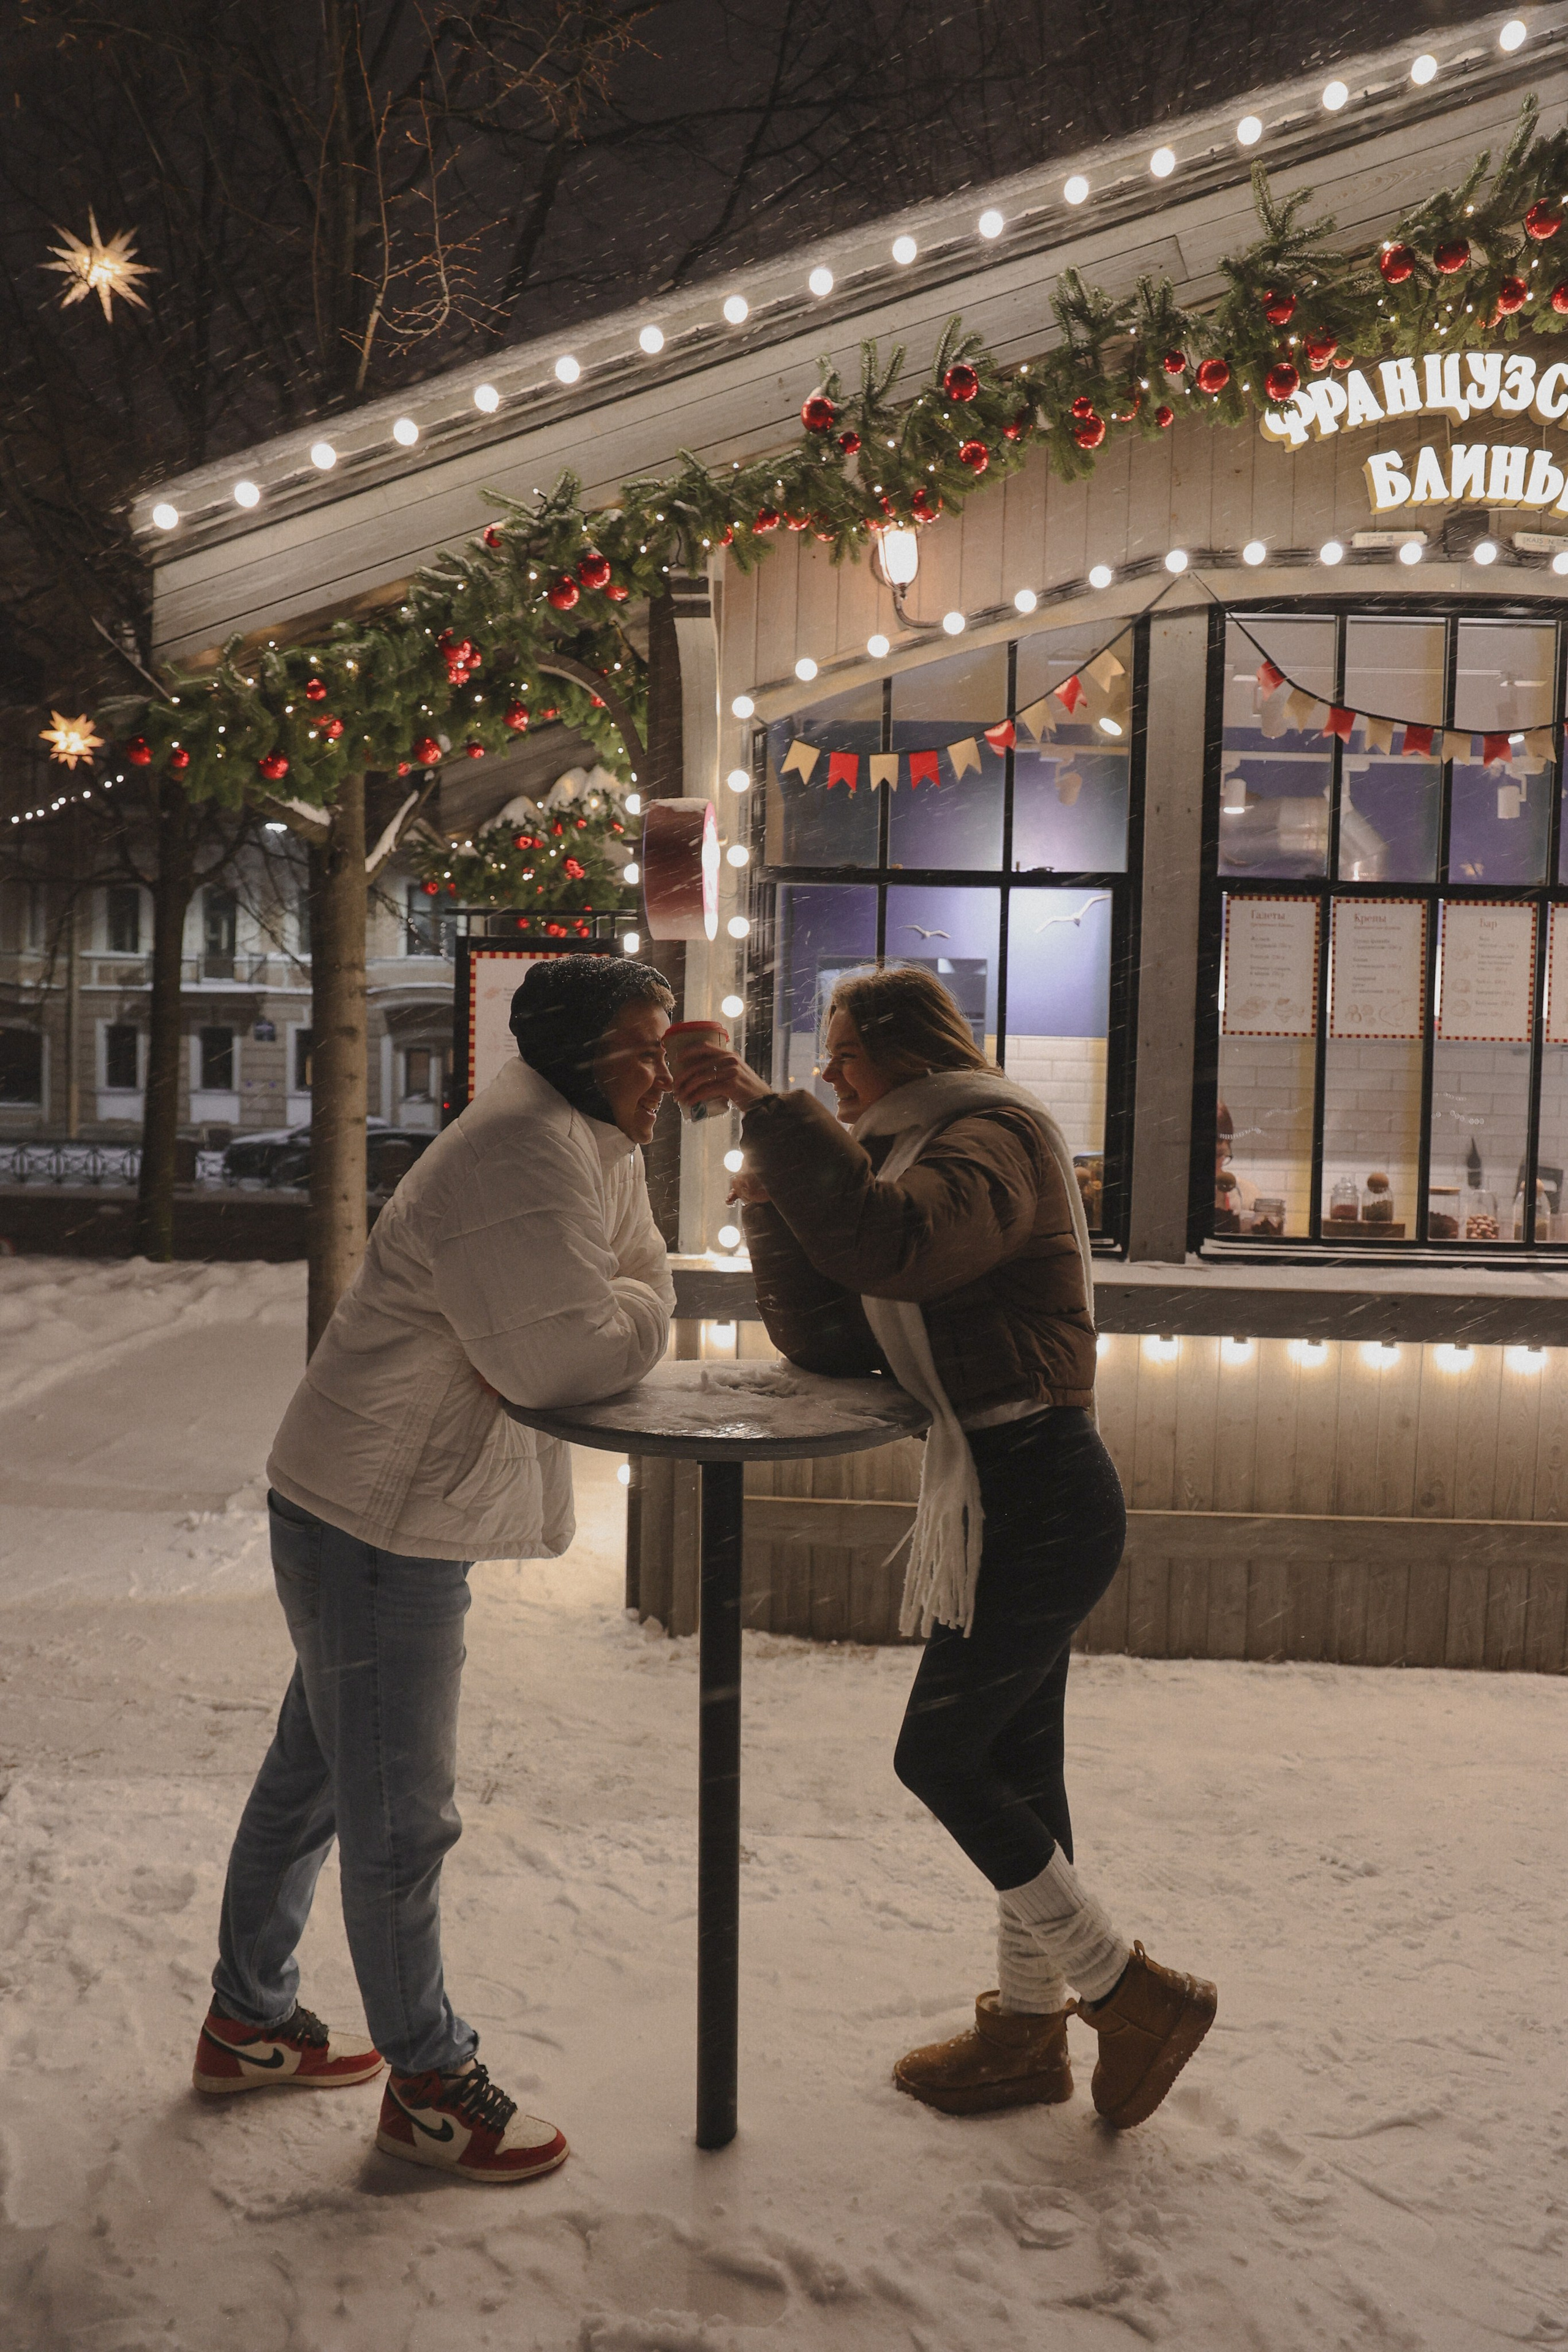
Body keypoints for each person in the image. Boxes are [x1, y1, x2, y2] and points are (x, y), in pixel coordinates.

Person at [673, 966, 1216, 2129]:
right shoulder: (907, 1154)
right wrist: (773, 1197)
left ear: (907, 1051)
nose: (829, 1074)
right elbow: (835, 1331)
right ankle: (1025, 2038)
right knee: (1019, 1770)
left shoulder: (992, 1140)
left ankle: (1126, 1992)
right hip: (1006, 1494)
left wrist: (771, 1115)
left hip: (1044, 1493)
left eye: (843, 1054)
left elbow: (904, 1249)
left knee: (941, 1757)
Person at [194, 955, 675, 2185]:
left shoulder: (565, 1132)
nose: (663, 1071)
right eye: (642, 1047)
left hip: (356, 1499)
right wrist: (639, 1302)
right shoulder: (520, 1157)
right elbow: (573, 1356)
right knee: (399, 1817)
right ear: (577, 1054)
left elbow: (621, 1263)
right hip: (373, 1523)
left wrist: (629, 1280)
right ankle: (429, 2084)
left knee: (313, 1783)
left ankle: (248, 2022)